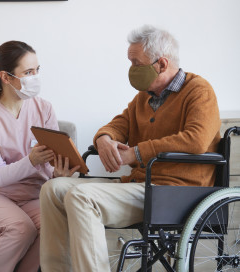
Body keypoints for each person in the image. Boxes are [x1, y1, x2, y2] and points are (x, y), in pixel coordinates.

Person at [39, 25, 221, 272]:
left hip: (174, 192)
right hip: (139, 186)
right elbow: (116, 126)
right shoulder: (143, 98)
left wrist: (136, 152)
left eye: (136, 63)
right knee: (53, 189)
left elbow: (196, 140)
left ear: (162, 64)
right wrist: (104, 139)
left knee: (82, 197)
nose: (131, 70)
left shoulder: (199, 91)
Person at [0, 41, 80, 272]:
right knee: (20, 228)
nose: (35, 77)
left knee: (57, 225)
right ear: (6, 77)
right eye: (28, 72)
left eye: (37, 70)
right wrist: (32, 160)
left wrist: (58, 174)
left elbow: (50, 169)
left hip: (32, 196)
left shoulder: (43, 108)